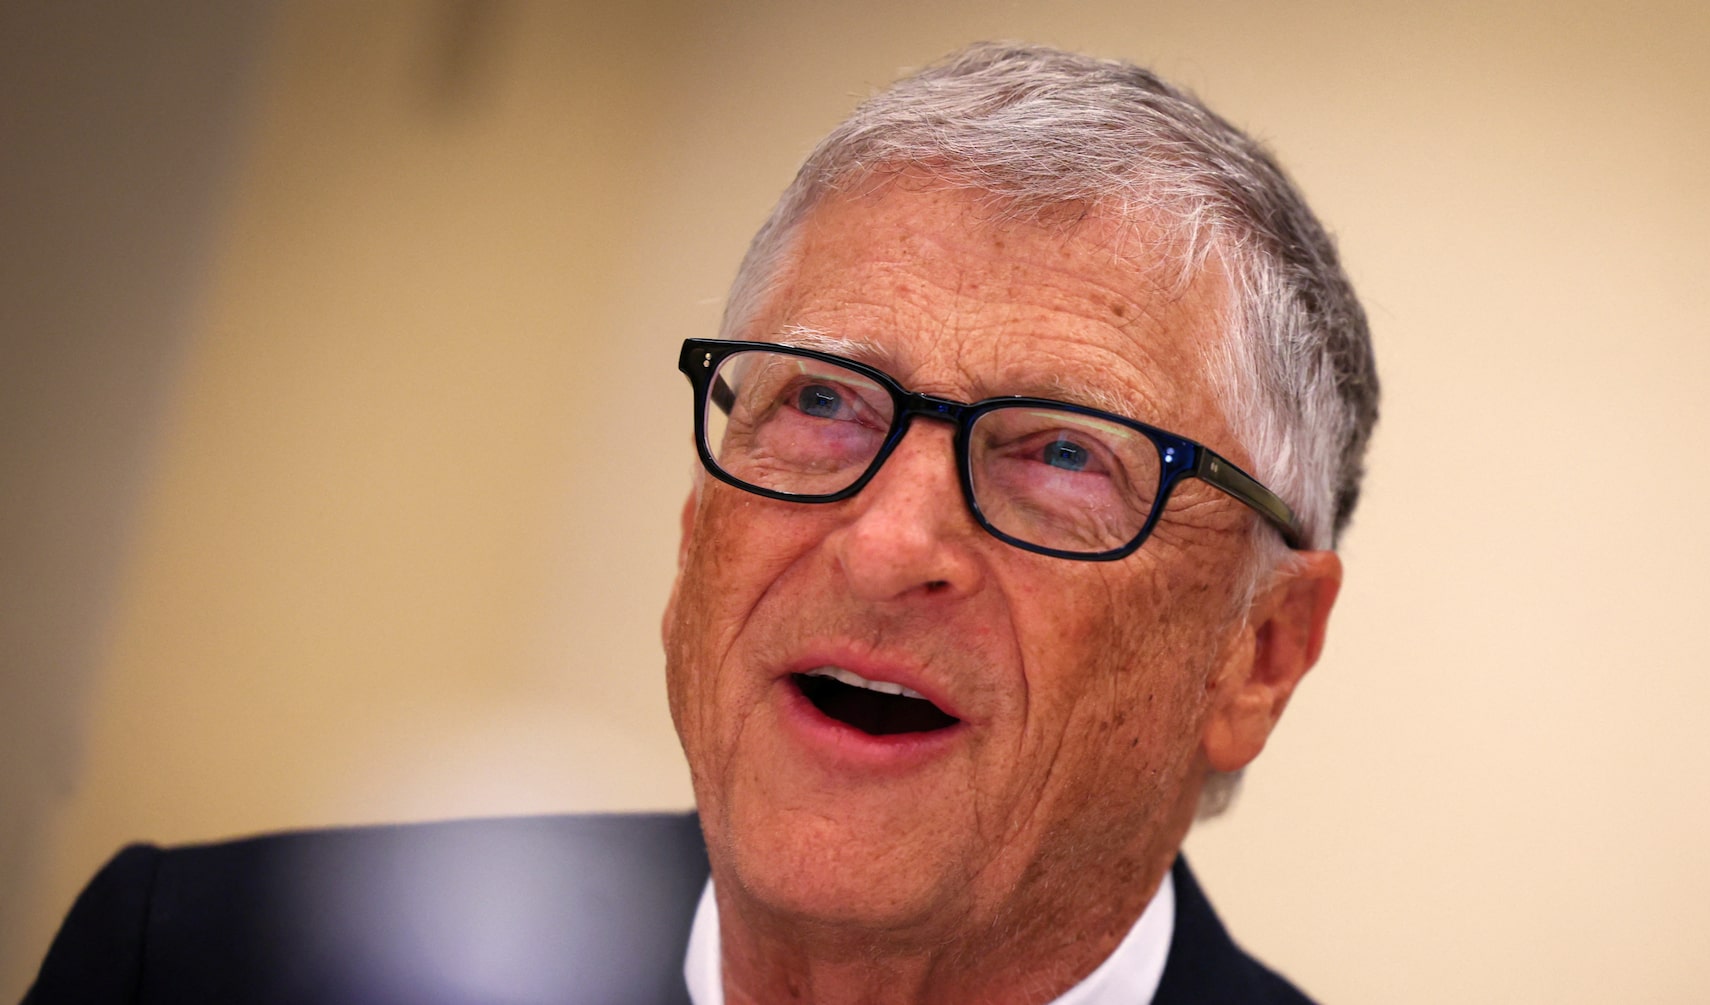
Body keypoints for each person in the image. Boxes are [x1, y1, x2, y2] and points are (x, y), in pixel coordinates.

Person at [23, 42, 1376, 1005]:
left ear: (1260, 654)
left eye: (1065, 454)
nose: (884, 545)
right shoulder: (197, 962)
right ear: (696, 523)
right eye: (823, 402)